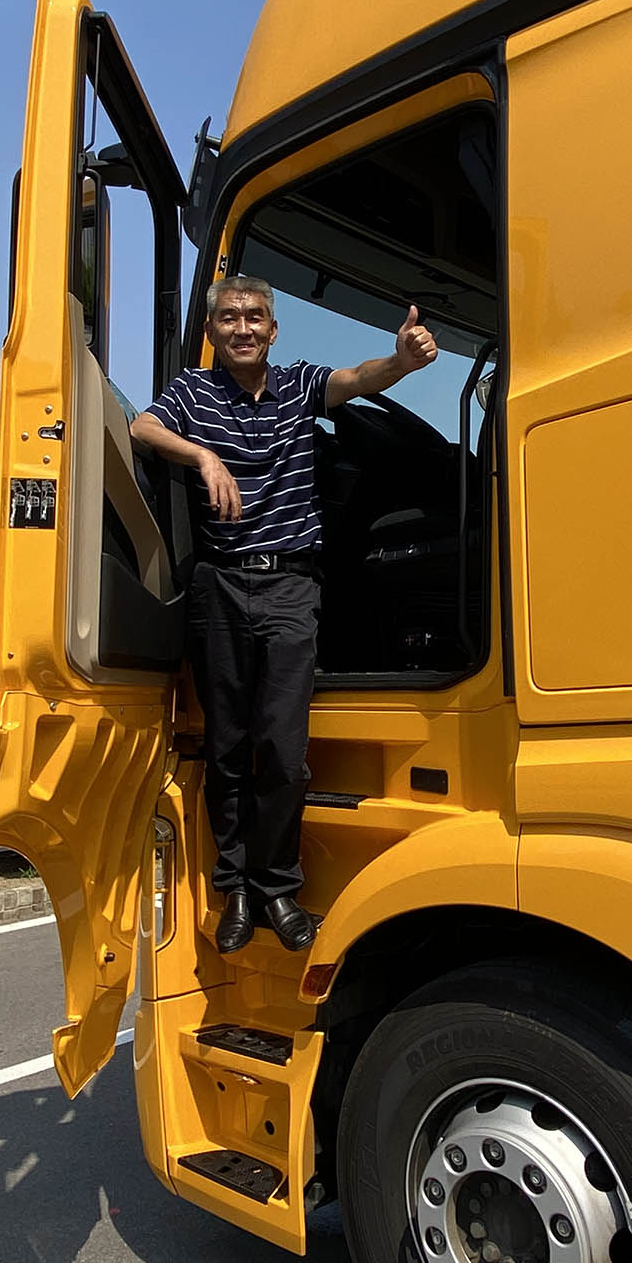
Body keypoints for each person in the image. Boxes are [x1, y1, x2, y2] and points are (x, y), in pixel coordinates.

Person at [130, 276, 438, 953]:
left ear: (273, 331)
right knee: (227, 748)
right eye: (229, 318)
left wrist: (402, 361)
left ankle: (276, 887)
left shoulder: (299, 385)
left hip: (291, 587)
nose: (242, 327)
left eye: (255, 317)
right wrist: (203, 455)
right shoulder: (193, 392)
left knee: (284, 752)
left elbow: (358, 378)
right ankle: (235, 890)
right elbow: (140, 427)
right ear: (212, 332)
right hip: (220, 586)